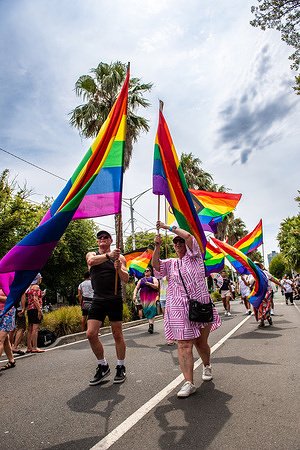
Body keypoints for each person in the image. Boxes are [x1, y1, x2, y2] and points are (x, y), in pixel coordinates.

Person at [153, 221, 222, 398]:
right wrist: (157, 247)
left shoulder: (196, 257)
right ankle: (189, 382)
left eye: (180, 241)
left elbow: (189, 236)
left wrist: (168, 227)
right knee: (184, 345)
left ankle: (206, 365)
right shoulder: (171, 263)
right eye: (175, 242)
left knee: (200, 343)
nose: (177, 244)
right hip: (178, 308)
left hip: (200, 306)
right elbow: (156, 267)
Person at [86, 230, 129, 386]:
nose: (102, 239)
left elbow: (126, 278)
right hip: (98, 299)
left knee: (117, 334)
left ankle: (121, 366)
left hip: (114, 299)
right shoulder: (92, 255)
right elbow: (91, 262)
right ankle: (103, 365)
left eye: (105, 237)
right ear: (98, 242)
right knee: (91, 334)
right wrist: (108, 257)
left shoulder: (120, 257)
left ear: (111, 240)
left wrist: (118, 268)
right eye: (99, 238)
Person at [253, 262, 282, 327]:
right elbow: (248, 283)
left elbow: (273, 279)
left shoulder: (265, 273)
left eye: (258, 266)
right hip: (258, 291)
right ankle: (266, 318)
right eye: (255, 266)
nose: (257, 267)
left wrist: (281, 285)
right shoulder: (253, 275)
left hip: (266, 290)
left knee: (265, 305)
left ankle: (264, 320)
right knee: (259, 305)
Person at [133, 267, 159, 334]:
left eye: (148, 271)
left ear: (150, 272)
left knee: (151, 309)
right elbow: (137, 288)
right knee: (146, 310)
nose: (146, 272)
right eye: (145, 271)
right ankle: (150, 324)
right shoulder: (141, 280)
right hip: (144, 298)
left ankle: (151, 325)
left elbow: (156, 286)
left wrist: (150, 284)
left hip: (152, 296)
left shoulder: (153, 278)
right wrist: (134, 295)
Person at [26, 273, 45, 353]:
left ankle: (29, 347)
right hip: (35, 308)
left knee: (30, 328)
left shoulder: (29, 287)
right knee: (35, 329)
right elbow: (35, 299)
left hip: (29, 308)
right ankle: (35, 347)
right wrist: (40, 311)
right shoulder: (36, 287)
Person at [0, 286, 16, 371]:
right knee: (5, 339)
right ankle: (12, 360)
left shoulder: (7, 284)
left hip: (7, 312)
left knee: (0, 339)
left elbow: (10, 299)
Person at [159, 276, 175, 345]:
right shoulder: (160, 274)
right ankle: (171, 336)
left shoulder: (170, 271)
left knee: (171, 317)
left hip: (170, 296)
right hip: (162, 297)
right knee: (166, 317)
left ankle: (173, 336)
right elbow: (159, 286)